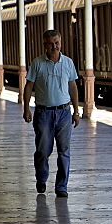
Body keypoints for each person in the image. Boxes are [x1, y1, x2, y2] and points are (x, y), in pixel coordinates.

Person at [23, 30, 80, 197]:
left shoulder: (68, 63)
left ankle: (62, 186)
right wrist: (26, 108)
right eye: (50, 43)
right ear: (44, 45)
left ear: (61, 43)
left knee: (64, 150)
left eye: (56, 43)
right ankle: (41, 179)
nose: (54, 46)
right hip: (43, 113)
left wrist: (76, 111)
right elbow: (28, 86)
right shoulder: (37, 63)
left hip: (63, 112)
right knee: (42, 151)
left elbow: (73, 87)